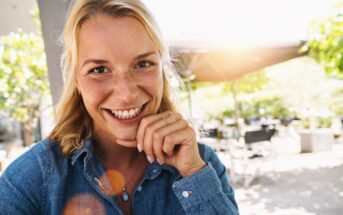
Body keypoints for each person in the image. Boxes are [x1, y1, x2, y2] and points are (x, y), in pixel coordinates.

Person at [0, 0, 239, 214]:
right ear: (76, 81)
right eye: (99, 70)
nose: (126, 94)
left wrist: (194, 173)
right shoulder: (31, 179)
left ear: (161, 71)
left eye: (143, 64)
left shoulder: (201, 164)